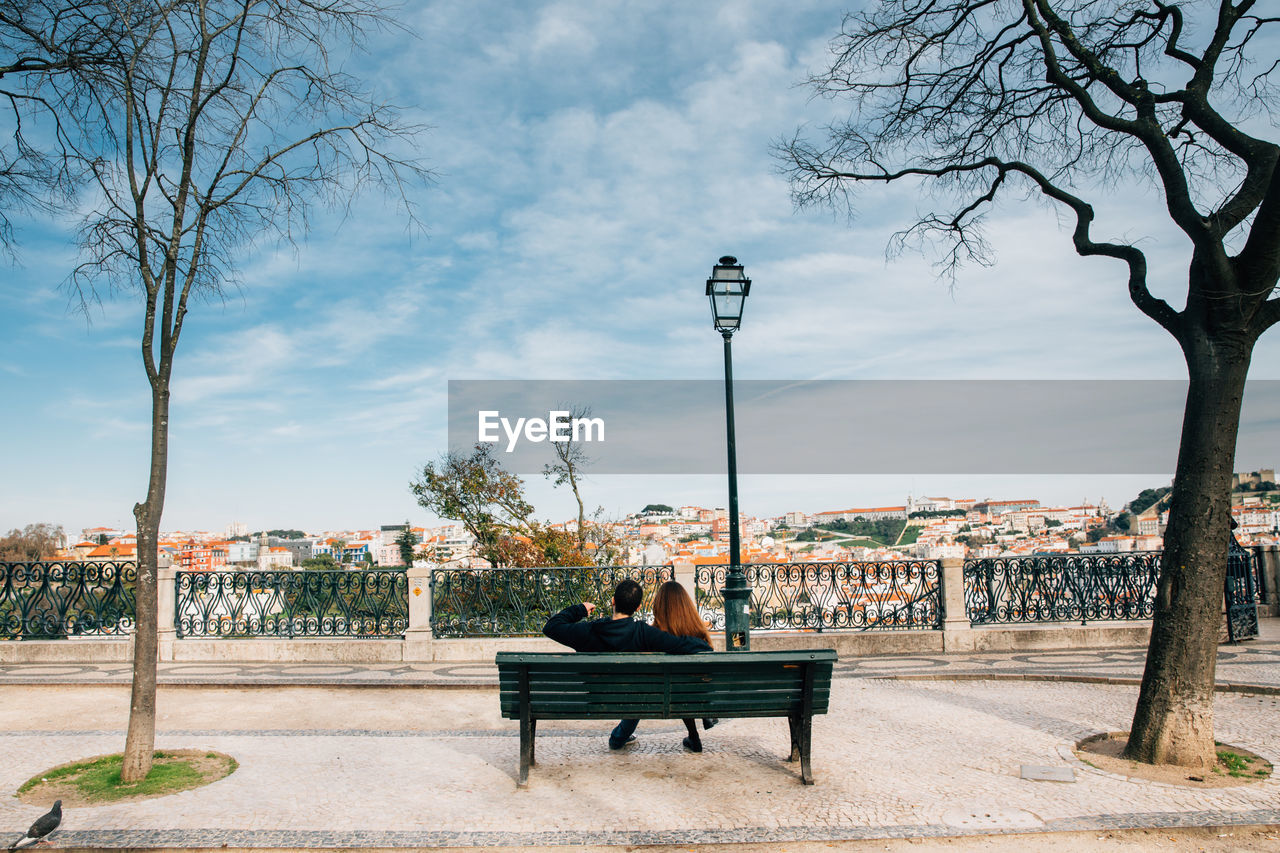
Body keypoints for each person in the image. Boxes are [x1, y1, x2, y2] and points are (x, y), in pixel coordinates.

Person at [543, 578, 710, 750]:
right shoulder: (644, 633)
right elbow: (688, 645)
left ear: (613, 601)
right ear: (638, 608)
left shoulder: (588, 631)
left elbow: (551, 627)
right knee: (638, 688)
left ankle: (619, 737)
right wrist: (703, 644)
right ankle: (618, 737)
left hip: (596, 699)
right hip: (633, 698)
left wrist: (580, 609)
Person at [650, 580, 720, 752]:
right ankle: (695, 734)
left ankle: (694, 736)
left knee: (678, 686)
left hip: (663, 696)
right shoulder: (699, 639)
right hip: (696, 694)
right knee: (685, 685)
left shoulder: (656, 637)